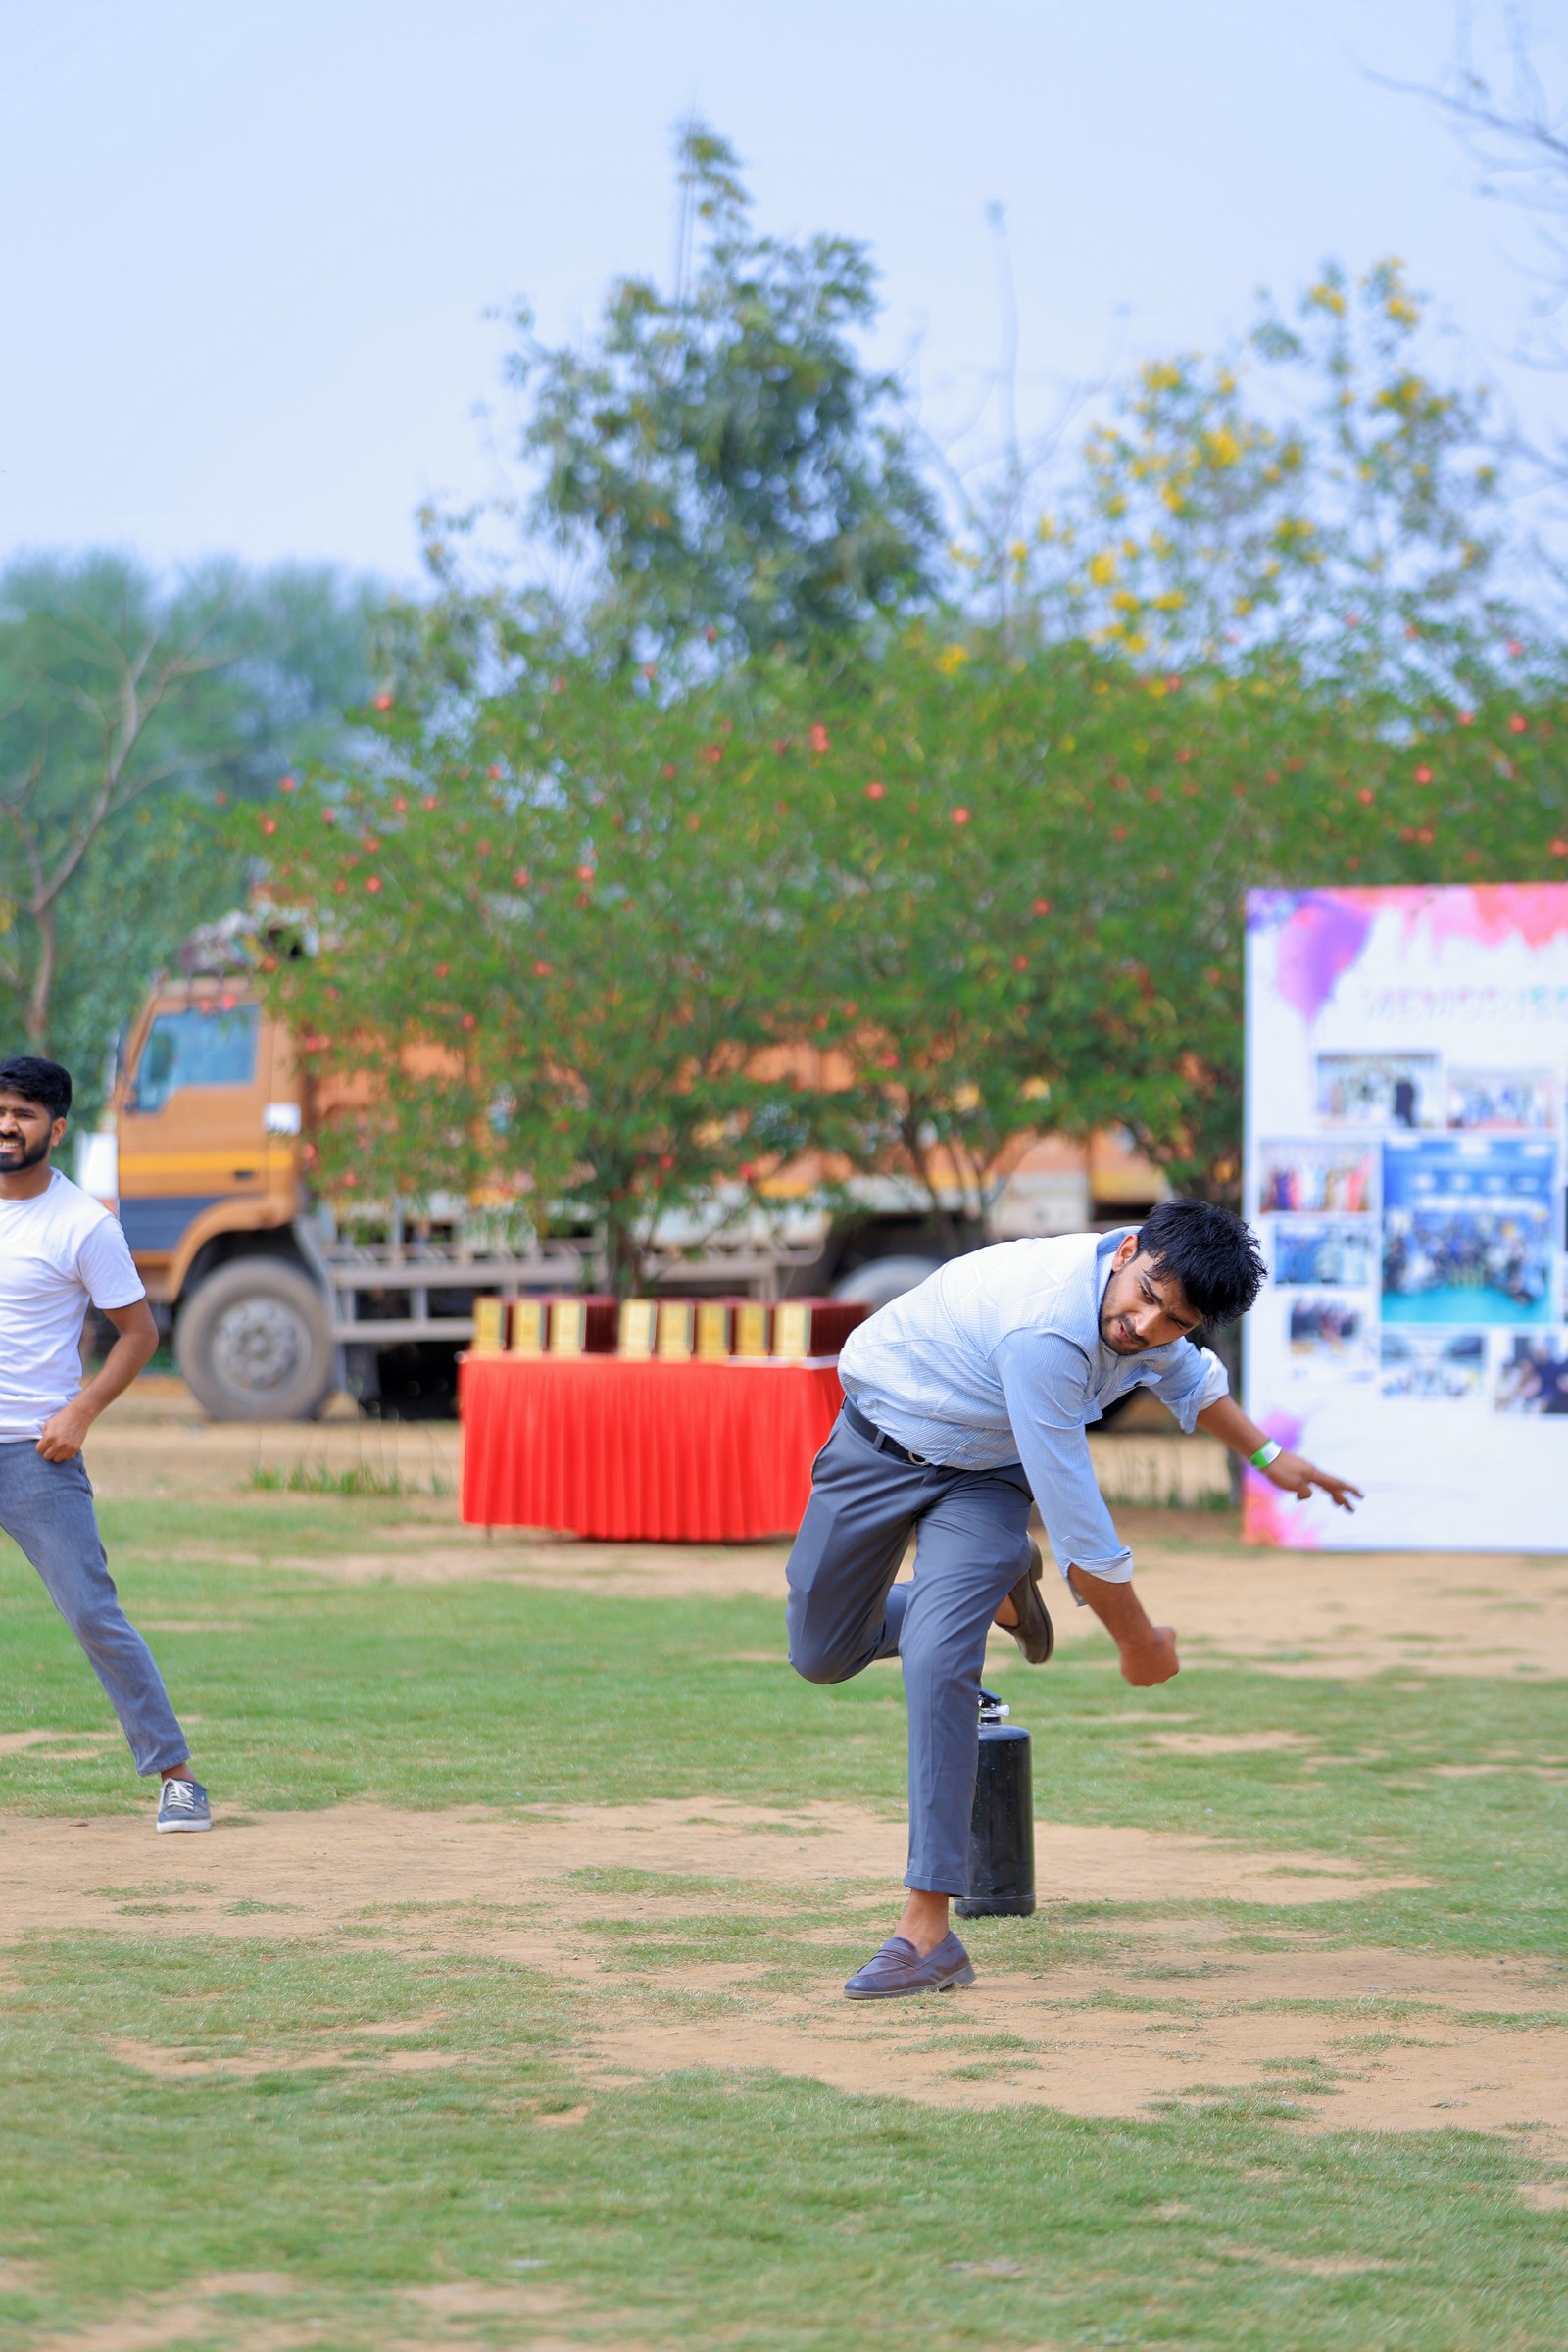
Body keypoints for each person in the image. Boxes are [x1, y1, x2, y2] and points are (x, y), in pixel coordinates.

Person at [786, 1200, 1360, 2000]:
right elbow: (1086, 1541)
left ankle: (925, 1935)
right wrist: (1139, 1642)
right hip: (877, 1442)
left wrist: (1269, 1457)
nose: (1145, 1325)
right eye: (1146, 1295)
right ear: (1126, 1250)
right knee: (821, 1652)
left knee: (938, 1664)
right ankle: (994, 1587)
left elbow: (1190, 1380)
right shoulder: (1046, 1332)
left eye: (1174, 1319)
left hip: (984, 1477)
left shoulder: (1153, 1324)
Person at [0, 1055, 211, 1831]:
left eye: (23, 1114)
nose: (6, 1125)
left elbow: (139, 1333)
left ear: (55, 1129)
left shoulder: (84, 1224)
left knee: (92, 1613)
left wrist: (82, 1412)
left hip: (35, 1452)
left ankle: (178, 1777)